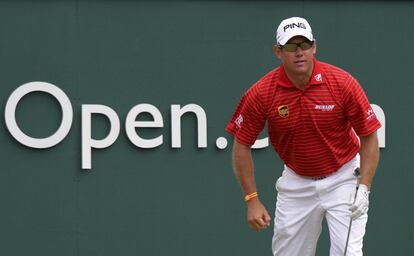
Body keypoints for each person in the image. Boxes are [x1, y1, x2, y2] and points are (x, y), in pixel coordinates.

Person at [226, 16, 381, 256]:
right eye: (290, 46)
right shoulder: (262, 93)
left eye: (304, 45)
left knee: (348, 252)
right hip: (297, 182)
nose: (299, 52)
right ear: (278, 51)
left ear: (314, 47)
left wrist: (364, 187)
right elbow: (241, 145)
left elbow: (369, 136)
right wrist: (251, 199)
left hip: (344, 178)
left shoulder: (342, 83)